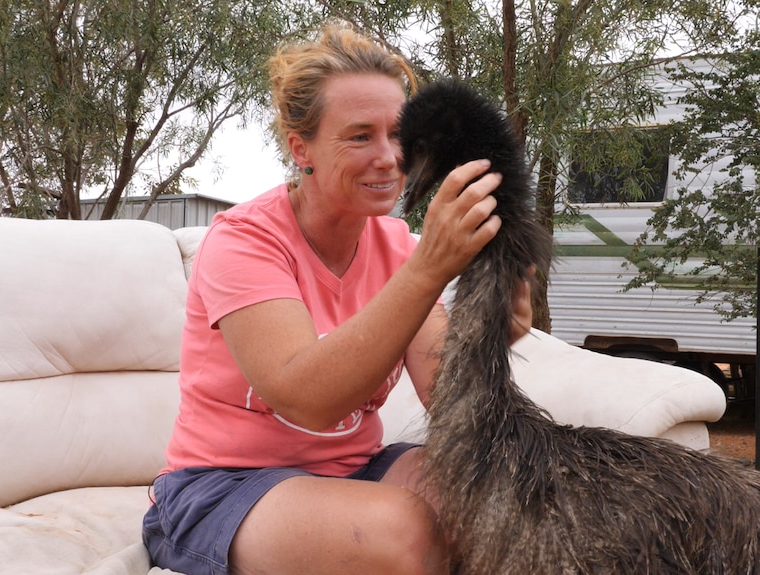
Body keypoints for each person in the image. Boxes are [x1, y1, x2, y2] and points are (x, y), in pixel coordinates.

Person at [142, 21, 533, 575]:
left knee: (500, 500)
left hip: (358, 470)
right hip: (222, 487)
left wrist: (490, 327)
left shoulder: (397, 247)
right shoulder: (245, 241)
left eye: (399, 136)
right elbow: (306, 399)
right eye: (359, 136)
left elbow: (450, 399)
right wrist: (427, 271)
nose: (389, 157)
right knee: (408, 532)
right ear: (301, 148)